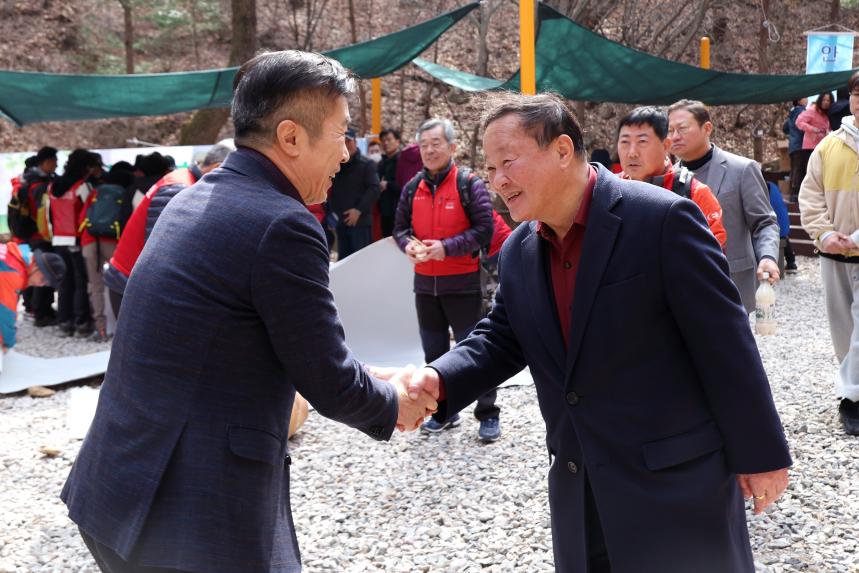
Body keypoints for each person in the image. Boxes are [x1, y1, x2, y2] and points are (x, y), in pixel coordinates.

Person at [61, 50, 435, 573]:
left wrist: (373, 376)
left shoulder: (191, 198)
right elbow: (328, 379)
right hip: (186, 513)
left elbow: (243, 343)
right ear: (290, 137)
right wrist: (394, 402)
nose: (349, 153)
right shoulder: (282, 224)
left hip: (117, 485)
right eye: (340, 133)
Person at [406, 92, 791, 572]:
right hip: (579, 483)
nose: (497, 181)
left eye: (508, 162)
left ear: (563, 150)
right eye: (488, 168)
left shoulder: (662, 219)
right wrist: (438, 380)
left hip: (674, 486)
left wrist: (762, 453)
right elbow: (501, 337)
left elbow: (726, 344)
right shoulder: (520, 250)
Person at [392, 118, 501, 442]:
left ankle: (488, 413)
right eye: (423, 145)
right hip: (425, 286)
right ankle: (444, 413)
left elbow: (485, 230)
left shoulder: (469, 183)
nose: (429, 150)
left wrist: (446, 248)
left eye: (435, 143)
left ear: (452, 147)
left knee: (476, 353)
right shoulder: (413, 188)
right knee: (435, 354)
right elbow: (399, 228)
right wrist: (408, 245)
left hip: (463, 285)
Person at [668, 99, 780, 313]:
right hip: (680, 284)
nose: (674, 136)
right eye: (670, 130)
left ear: (706, 128)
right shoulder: (667, 177)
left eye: (682, 128)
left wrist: (767, 256)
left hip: (731, 280)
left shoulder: (741, 169)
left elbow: (764, 222)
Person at [103, 140, 235, 317]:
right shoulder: (178, 188)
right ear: (217, 167)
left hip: (135, 281)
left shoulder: (185, 181)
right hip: (131, 284)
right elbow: (161, 255)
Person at [799, 71, 859, 436]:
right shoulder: (828, 146)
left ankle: (852, 399)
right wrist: (822, 232)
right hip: (833, 254)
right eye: (855, 94)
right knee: (842, 330)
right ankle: (850, 389)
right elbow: (810, 194)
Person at [616, 106, 727, 250]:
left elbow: (713, 257)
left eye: (642, 142)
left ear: (666, 145)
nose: (632, 153)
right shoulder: (608, 190)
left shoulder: (695, 194)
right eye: (625, 142)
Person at [78, 164, 135, 342]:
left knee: (95, 286)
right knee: (125, 281)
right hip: (113, 242)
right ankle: (125, 327)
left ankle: (100, 329)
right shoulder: (125, 193)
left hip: (90, 240)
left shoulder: (96, 192)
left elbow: (82, 218)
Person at [50, 149, 98, 337]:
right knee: (80, 282)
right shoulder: (82, 186)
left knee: (64, 282)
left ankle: (64, 322)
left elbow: (49, 215)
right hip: (76, 239)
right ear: (85, 167)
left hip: (57, 239)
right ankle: (82, 323)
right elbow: (91, 212)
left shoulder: (53, 186)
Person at [16, 146, 58, 327]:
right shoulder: (39, 185)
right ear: (45, 163)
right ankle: (41, 313)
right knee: (43, 274)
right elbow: (42, 212)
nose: (56, 165)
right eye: (54, 161)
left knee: (40, 272)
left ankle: (40, 309)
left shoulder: (30, 182)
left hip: (32, 235)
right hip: (40, 235)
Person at [0, 244, 65, 350]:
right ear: (36, 266)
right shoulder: (14, 273)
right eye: (44, 279)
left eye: (47, 284)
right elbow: (5, 311)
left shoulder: (16, 254)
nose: (42, 285)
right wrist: (8, 342)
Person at [329, 127, 380, 259]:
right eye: (342, 142)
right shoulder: (336, 165)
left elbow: (374, 189)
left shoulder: (367, 164)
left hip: (361, 223)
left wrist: (358, 210)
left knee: (361, 262)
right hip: (341, 223)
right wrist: (332, 215)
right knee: (344, 264)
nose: (346, 145)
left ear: (355, 142)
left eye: (348, 141)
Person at [766, 179, 797, 274]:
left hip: (775, 219)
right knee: (784, 237)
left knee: (779, 238)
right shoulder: (772, 185)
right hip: (781, 217)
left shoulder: (765, 187)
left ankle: (789, 263)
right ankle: (791, 263)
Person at [377, 128, 402, 237]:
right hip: (384, 211)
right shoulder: (381, 163)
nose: (385, 143)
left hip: (400, 211)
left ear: (397, 141)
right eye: (383, 140)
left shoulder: (404, 161)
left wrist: (388, 185)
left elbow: (406, 185)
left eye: (389, 139)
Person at [783, 98, 809, 202]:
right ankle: (797, 194)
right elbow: (803, 128)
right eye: (805, 98)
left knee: (794, 169)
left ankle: (792, 193)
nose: (807, 100)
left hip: (793, 145)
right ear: (799, 101)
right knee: (800, 169)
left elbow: (785, 128)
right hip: (801, 144)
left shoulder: (792, 112)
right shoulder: (803, 112)